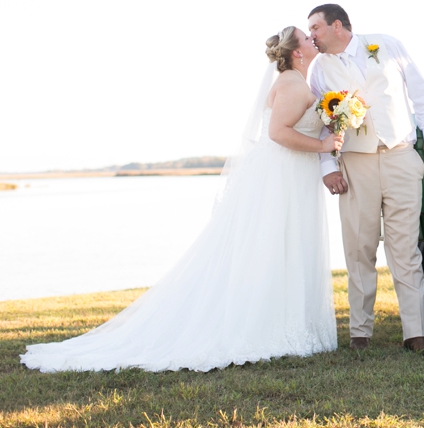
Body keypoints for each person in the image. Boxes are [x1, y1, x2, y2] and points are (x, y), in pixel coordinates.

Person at [21, 27, 341, 372]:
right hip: (281, 176)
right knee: (273, 245)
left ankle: (281, 319)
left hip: (285, 175)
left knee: (277, 246)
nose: (312, 39)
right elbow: (279, 133)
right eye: (306, 38)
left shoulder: (296, 82)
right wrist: (324, 146)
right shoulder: (293, 84)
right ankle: (268, 326)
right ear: (296, 52)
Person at [308, 4, 424, 355]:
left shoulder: (385, 44)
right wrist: (328, 167)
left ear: (337, 25)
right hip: (355, 163)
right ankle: (360, 334)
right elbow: (320, 121)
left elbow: (421, 92)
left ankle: (416, 334)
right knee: (359, 248)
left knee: (405, 248)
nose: (312, 36)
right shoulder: (319, 69)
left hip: (400, 155)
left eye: (316, 28)